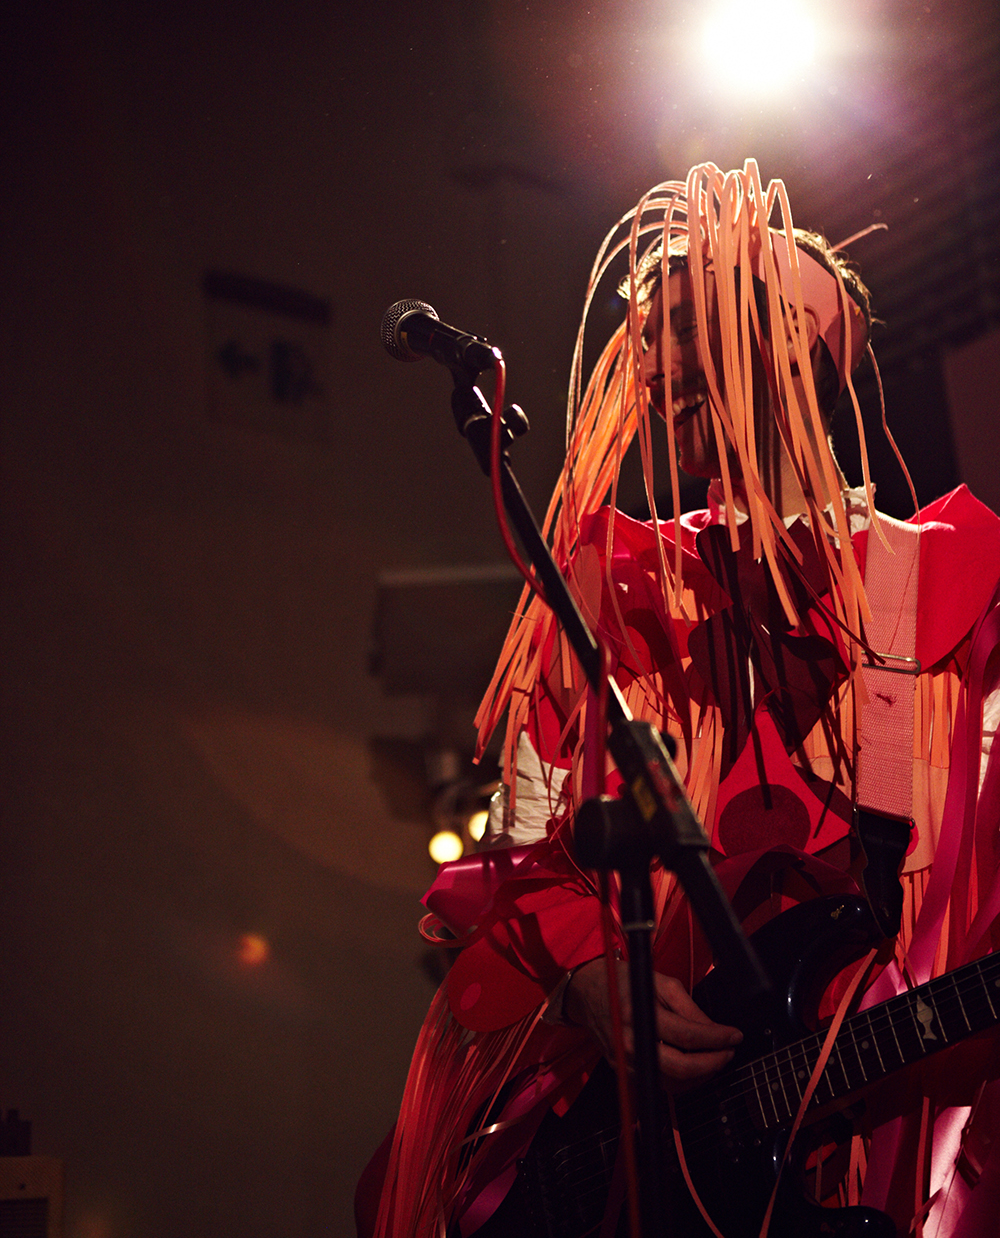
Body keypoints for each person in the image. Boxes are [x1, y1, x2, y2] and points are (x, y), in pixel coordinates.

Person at [360, 160, 1000, 1238]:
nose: (643, 368)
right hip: (643, 1163)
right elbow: (517, 851)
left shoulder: (945, 595)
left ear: (787, 341)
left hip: (863, 1163)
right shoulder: (615, 589)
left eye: (677, 329)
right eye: (641, 331)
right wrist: (586, 976)